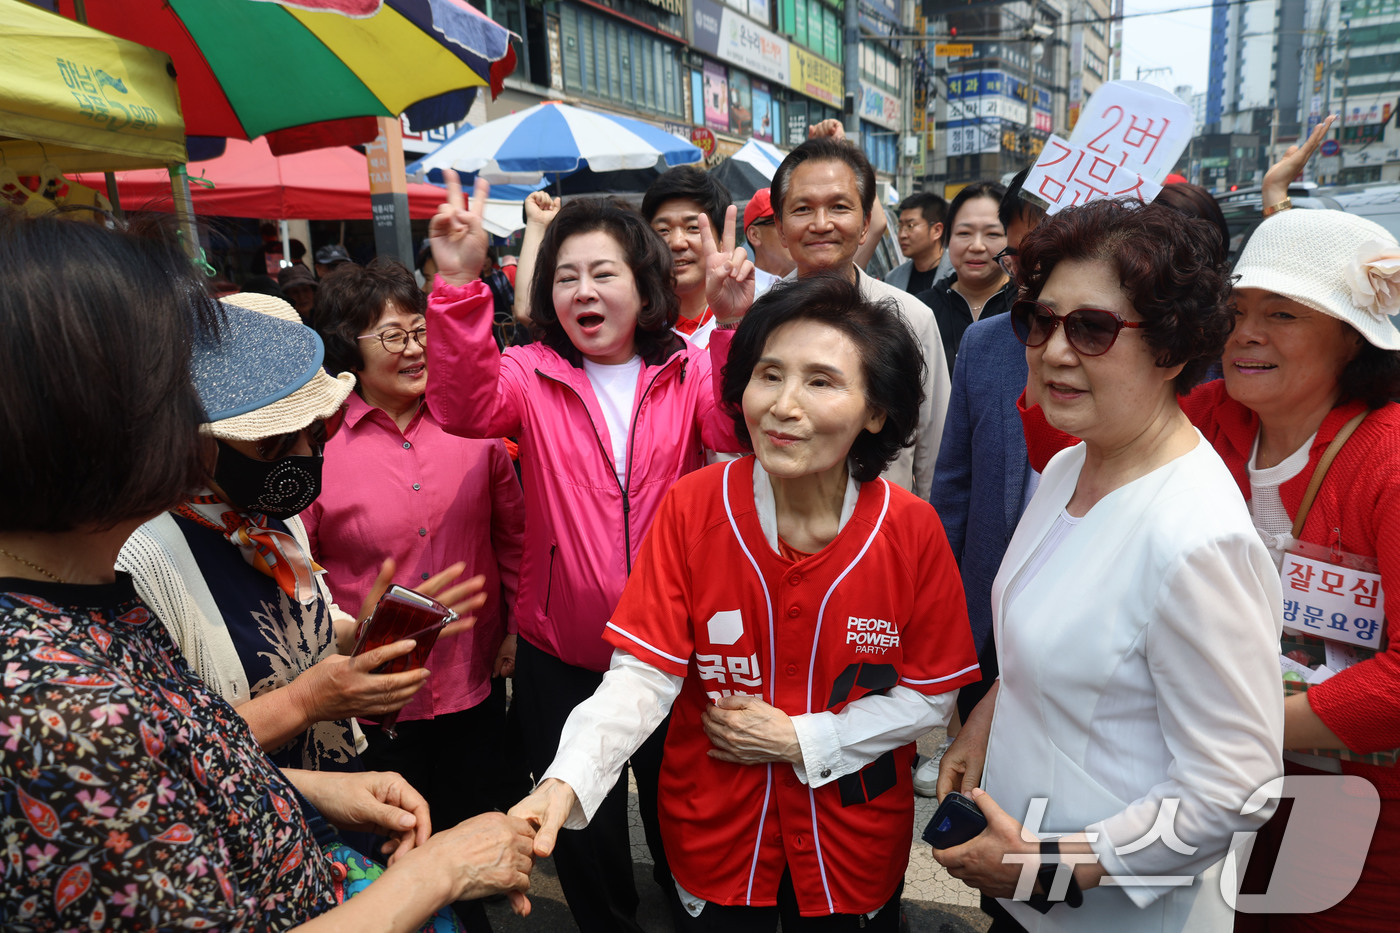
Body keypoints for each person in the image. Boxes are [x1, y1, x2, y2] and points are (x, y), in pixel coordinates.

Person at [0, 210, 536, 930]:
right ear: (88, 421)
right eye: (179, 387)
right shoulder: (59, 710)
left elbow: (181, 763)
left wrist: (304, 787)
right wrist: (445, 867)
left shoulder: (91, 600)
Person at [510, 273, 980, 932]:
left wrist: (803, 738)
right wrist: (566, 777)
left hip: (854, 838)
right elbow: (644, 674)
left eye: (821, 381)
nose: (784, 405)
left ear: (876, 411)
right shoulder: (694, 506)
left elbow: (929, 696)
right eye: (769, 375)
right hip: (717, 832)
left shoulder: (909, 529)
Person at [934, 199, 1284, 932]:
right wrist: (988, 720)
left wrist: (1048, 861)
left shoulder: (1197, 538)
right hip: (1023, 884)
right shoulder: (1068, 465)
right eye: (1040, 320)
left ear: (1172, 348)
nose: (1054, 350)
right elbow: (1058, 628)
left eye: (1091, 328)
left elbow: (1236, 788)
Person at [423, 173, 749, 933]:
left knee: (684, 818)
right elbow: (464, 406)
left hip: (672, 647)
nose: (583, 289)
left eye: (603, 272)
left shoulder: (688, 367)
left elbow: (735, 430)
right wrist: (459, 283)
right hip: (559, 652)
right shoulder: (529, 374)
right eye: (566, 275)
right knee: (584, 829)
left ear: (644, 284)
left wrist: (732, 327)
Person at [117, 290, 482, 777]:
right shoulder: (144, 557)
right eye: (270, 443)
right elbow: (168, 752)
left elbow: (312, 631)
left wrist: (367, 631)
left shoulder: (270, 515)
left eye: (315, 431)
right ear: (193, 443)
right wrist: (306, 701)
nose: (301, 454)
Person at [304, 257, 527, 931]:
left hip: (472, 684)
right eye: (392, 336)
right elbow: (301, 571)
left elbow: (512, 536)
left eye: (420, 331)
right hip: (374, 701)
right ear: (348, 348)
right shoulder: (315, 445)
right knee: (394, 857)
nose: (414, 349)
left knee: (479, 839)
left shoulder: (474, 428)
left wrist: (513, 627)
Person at [915, 168, 1045, 798]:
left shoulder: (1137, 350)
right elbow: (956, 481)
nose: (1030, 270)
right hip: (993, 590)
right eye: (1020, 253)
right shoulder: (987, 343)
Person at [769, 133, 950, 500]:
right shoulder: (759, 317)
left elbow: (934, 445)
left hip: (885, 532)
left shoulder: (913, 319)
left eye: (839, 207)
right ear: (781, 229)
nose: (821, 223)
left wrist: (927, 531)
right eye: (802, 209)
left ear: (866, 224)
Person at [914, 182, 1015, 375]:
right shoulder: (921, 311)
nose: (976, 246)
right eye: (964, 233)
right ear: (947, 238)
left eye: (992, 234)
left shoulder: (1028, 308)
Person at [640, 164, 733, 347]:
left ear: (721, 240)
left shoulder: (749, 320)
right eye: (663, 230)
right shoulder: (633, 328)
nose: (677, 243)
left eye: (692, 228)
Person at [886, 191, 950, 295]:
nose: (902, 235)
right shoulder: (893, 279)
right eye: (900, 226)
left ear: (937, 231)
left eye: (910, 226)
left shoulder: (959, 276)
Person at [742, 187, 794, 299]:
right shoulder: (738, 291)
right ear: (754, 235)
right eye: (780, 221)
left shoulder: (819, 282)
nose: (792, 229)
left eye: (795, 218)